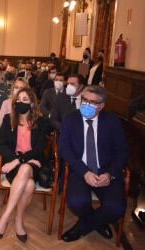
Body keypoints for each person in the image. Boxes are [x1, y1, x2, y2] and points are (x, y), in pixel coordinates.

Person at [59, 85, 128, 242]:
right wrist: (84, 172)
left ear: (102, 106)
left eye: (92, 102)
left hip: (105, 171)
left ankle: (83, 226)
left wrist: (110, 174)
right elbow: (64, 149)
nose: (86, 105)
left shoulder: (112, 121)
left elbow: (122, 151)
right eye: (84, 100)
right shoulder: (70, 119)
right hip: (80, 170)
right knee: (76, 203)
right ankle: (97, 223)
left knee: (116, 208)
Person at [0, 87, 49, 243]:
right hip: (14, 164)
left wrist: (20, 160)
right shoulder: (9, 119)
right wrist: (16, 159)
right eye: (18, 99)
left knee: (25, 168)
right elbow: (1, 145)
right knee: (29, 185)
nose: (21, 102)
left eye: (25, 100)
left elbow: (39, 149)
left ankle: (4, 218)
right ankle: (18, 221)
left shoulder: (40, 122)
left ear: (32, 103)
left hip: (32, 163)